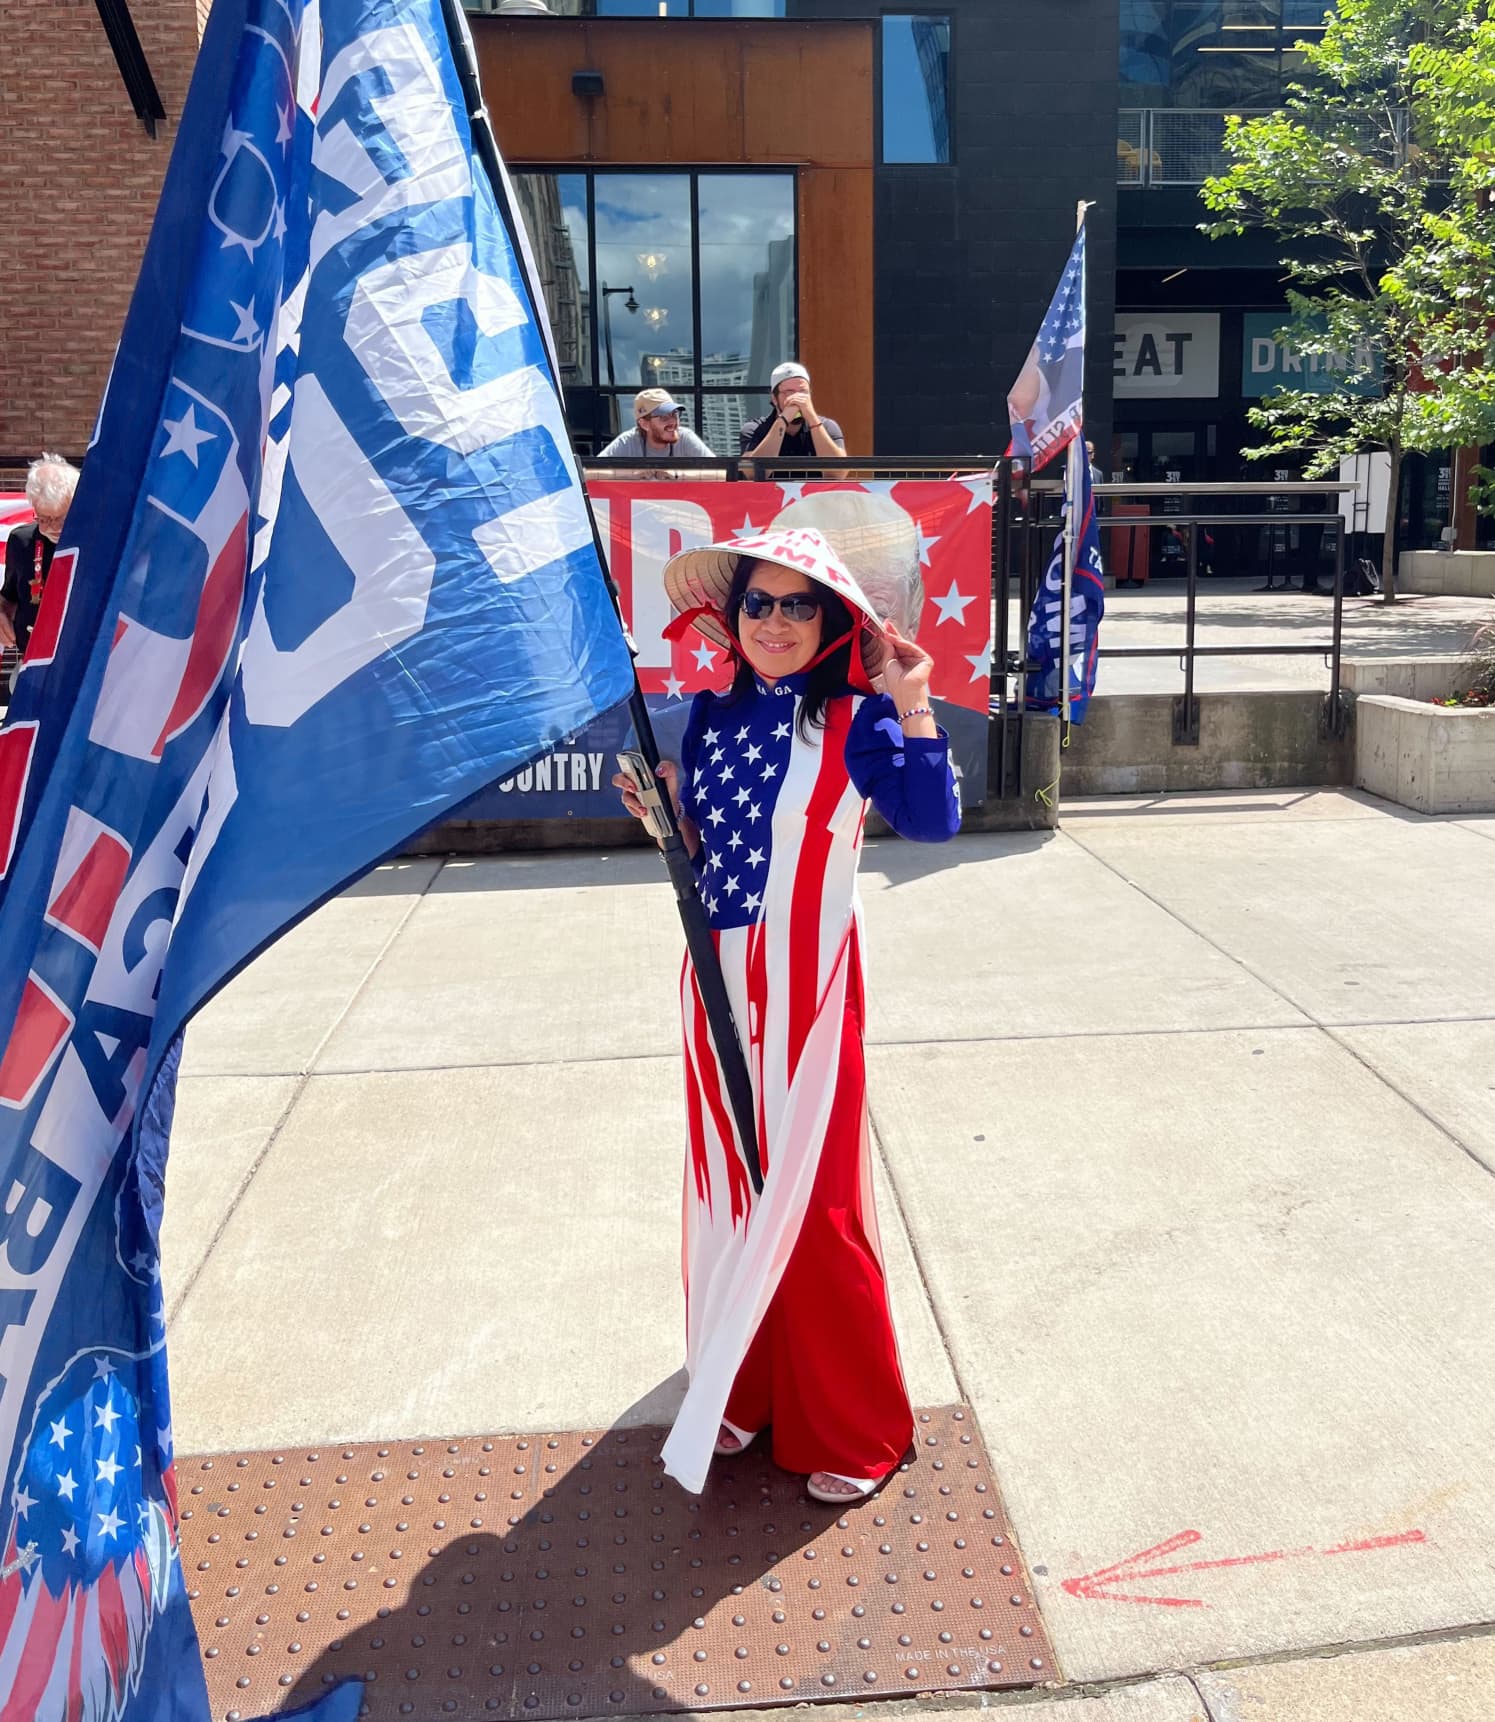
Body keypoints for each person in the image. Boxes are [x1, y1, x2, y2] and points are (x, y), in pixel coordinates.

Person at [614, 526, 960, 1504]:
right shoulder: (711, 714)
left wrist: (913, 700)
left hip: (808, 982)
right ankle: (741, 1383)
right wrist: (662, 815)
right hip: (715, 974)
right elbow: (707, 844)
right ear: (733, 617)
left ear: (830, 620)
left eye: (795, 605)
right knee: (728, 1190)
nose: (773, 622)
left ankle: (851, 1424)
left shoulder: (856, 718)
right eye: (757, 605)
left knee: (812, 1198)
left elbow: (932, 820)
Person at [1, 453, 79, 692]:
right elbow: (9, 595)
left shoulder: (98, 541)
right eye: (44, 519)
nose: (53, 528)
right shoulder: (22, 540)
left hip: (83, 665)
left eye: (61, 518)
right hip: (35, 664)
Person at [739, 362, 845, 461]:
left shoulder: (827, 427)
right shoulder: (754, 429)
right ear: (774, 399)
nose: (797, 398)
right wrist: (783, 420)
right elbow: (751, 472)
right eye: (789, 392)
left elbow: (837, 472)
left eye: (803, 392)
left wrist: (812, 418)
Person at [596, 388, 715, 466]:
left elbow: (722, 472)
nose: (673, 422)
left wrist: (677, 476)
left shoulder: (685, 437)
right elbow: (590, 472)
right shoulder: (628, 442)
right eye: (664, 417)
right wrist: (633, 475)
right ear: (644, 424)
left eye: (674, 414)